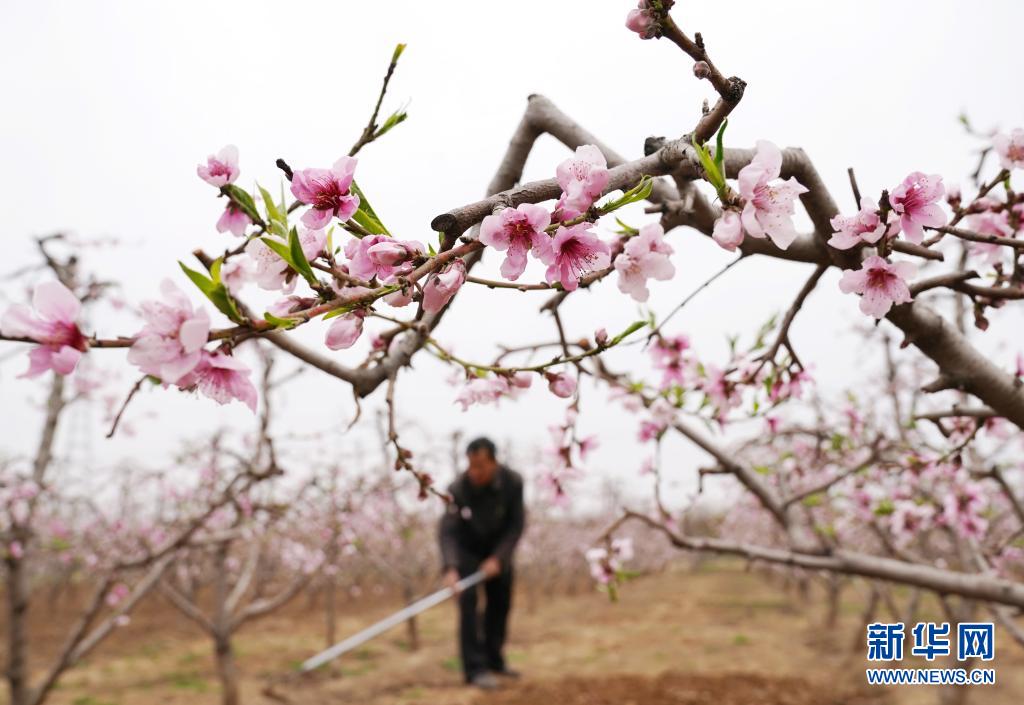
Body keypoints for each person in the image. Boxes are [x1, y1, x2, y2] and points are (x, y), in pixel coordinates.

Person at [439, 437, 526, 691]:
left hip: (498, 550)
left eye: (480, 466)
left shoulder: (513, 482)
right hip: (467, 551)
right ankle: (475, 669)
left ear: (494, 463)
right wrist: (450, 567)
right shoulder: (457, 488)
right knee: (468, 606)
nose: (474, 472)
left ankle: (494, 660)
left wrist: (499, 558)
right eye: (471, 465)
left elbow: (516, 525)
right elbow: (447, 530)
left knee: (500, 605)